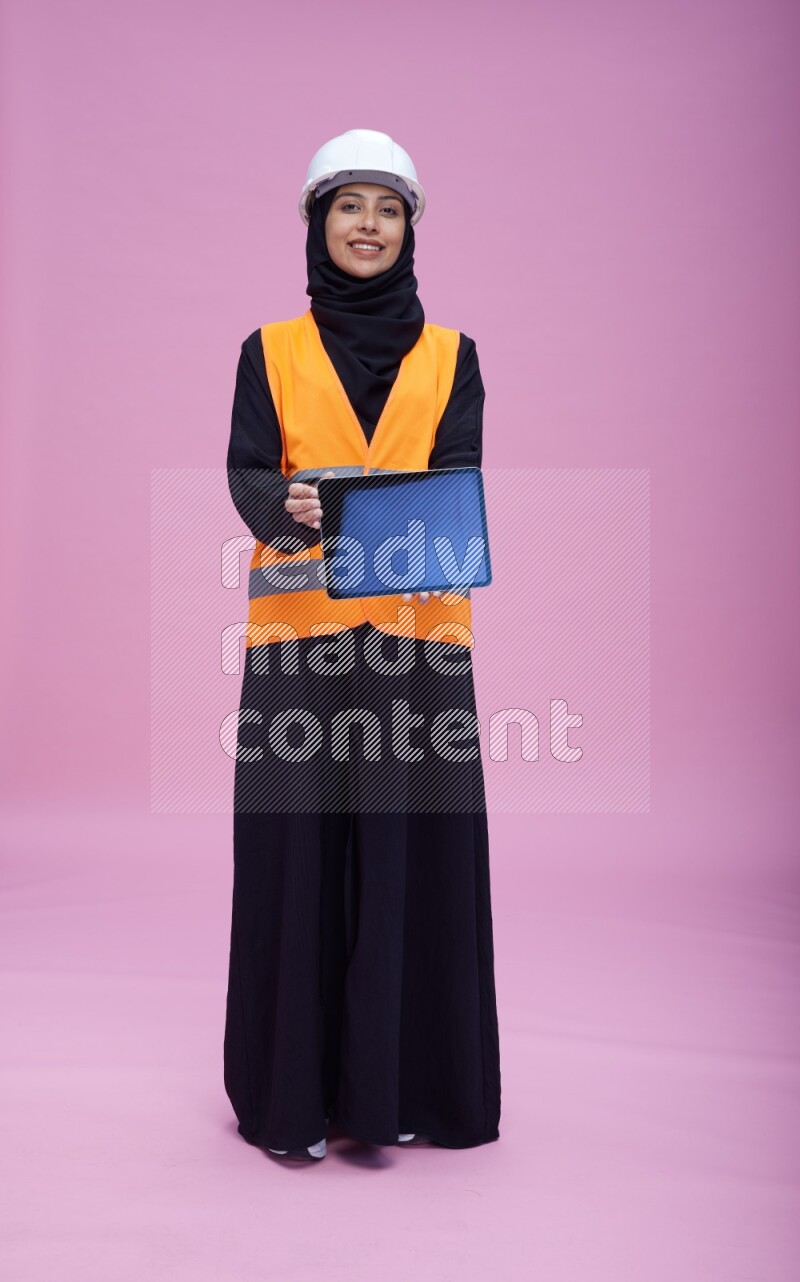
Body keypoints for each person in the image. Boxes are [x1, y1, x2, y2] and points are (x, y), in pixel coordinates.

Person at [223, 128, 501, 1162]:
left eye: (388, 209)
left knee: (408, 855)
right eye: (349, 206)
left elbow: (459, 476)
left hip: (417, 642)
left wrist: (389, 517)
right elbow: (248, 470)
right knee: (296, 857)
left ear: (410, 228)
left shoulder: (453, 356)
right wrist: (284, 507)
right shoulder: (269, 351)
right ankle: (291, 1098)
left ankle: (404, 1086)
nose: (368, 226)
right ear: (317, 221)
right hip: (300, 642)